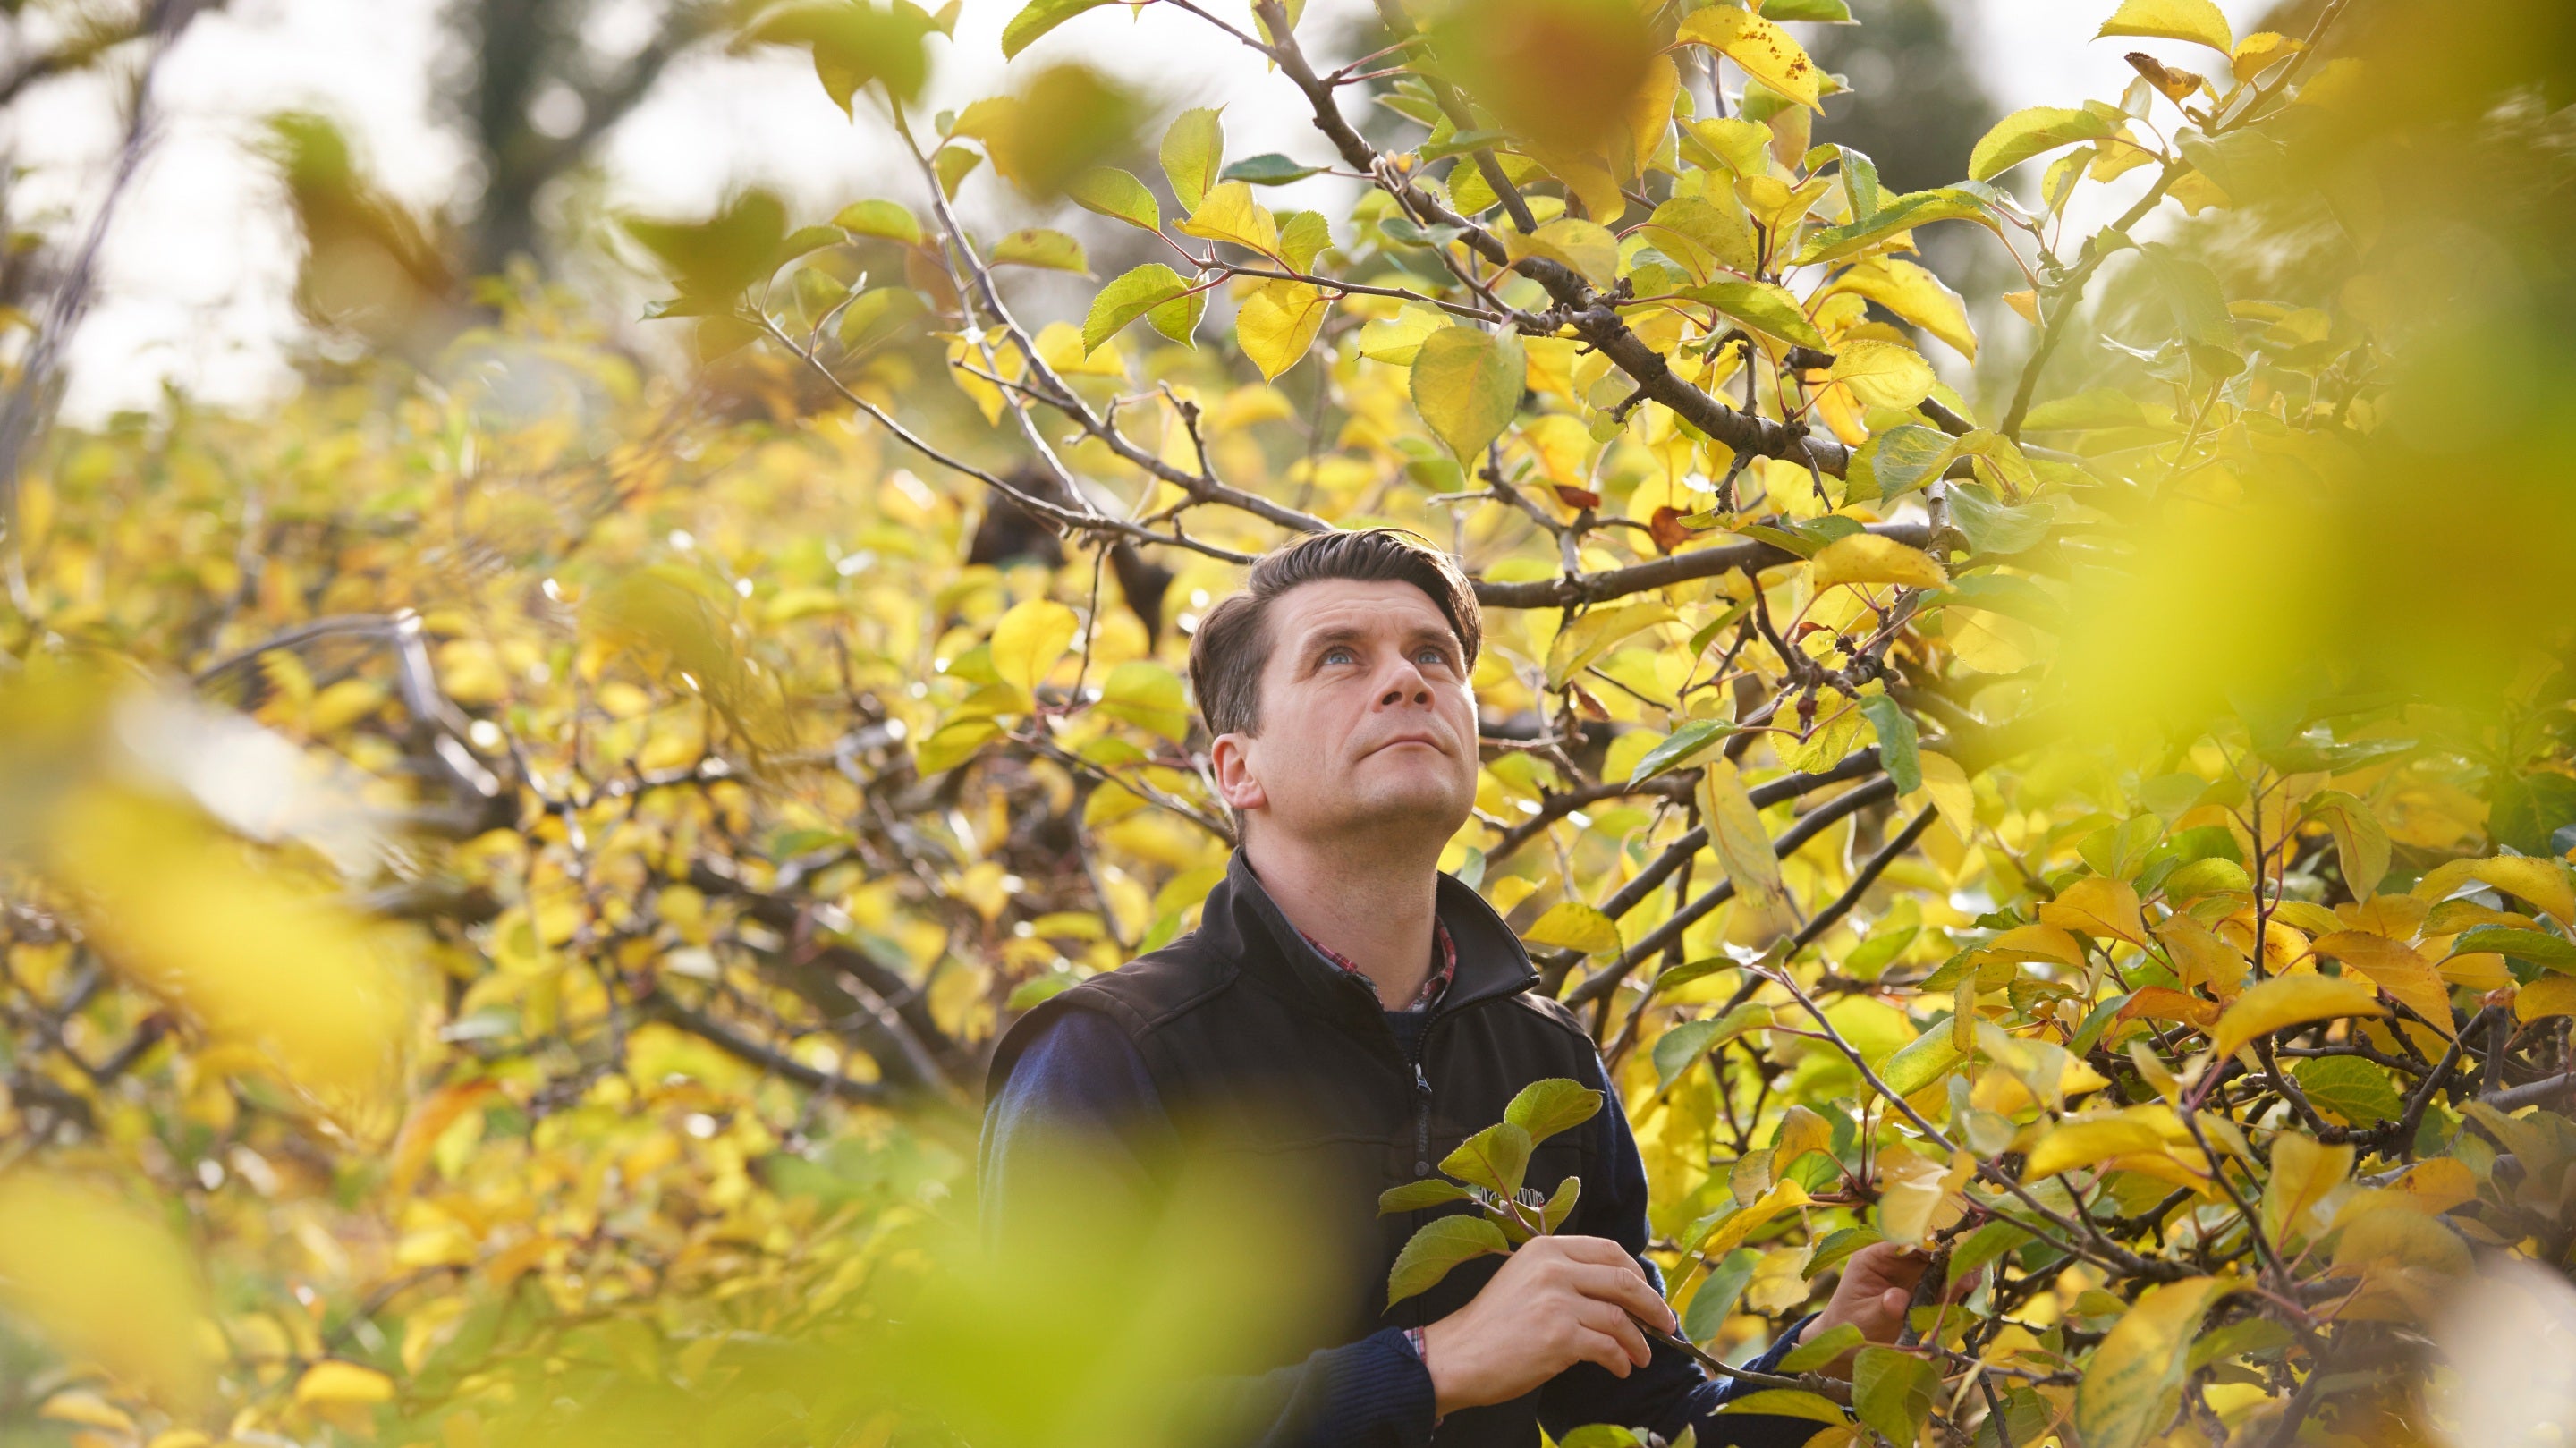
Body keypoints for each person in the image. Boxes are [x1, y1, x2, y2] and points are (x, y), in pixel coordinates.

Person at [979, 529, 1945, 1446]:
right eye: (1340, 657)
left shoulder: (1544, 1056)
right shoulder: (1112, 1051)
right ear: (1240, 768)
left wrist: (1829, 1359)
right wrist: (1428, 1365)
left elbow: (1645, 1423)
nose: (1406, 679)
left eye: (1435, 656)